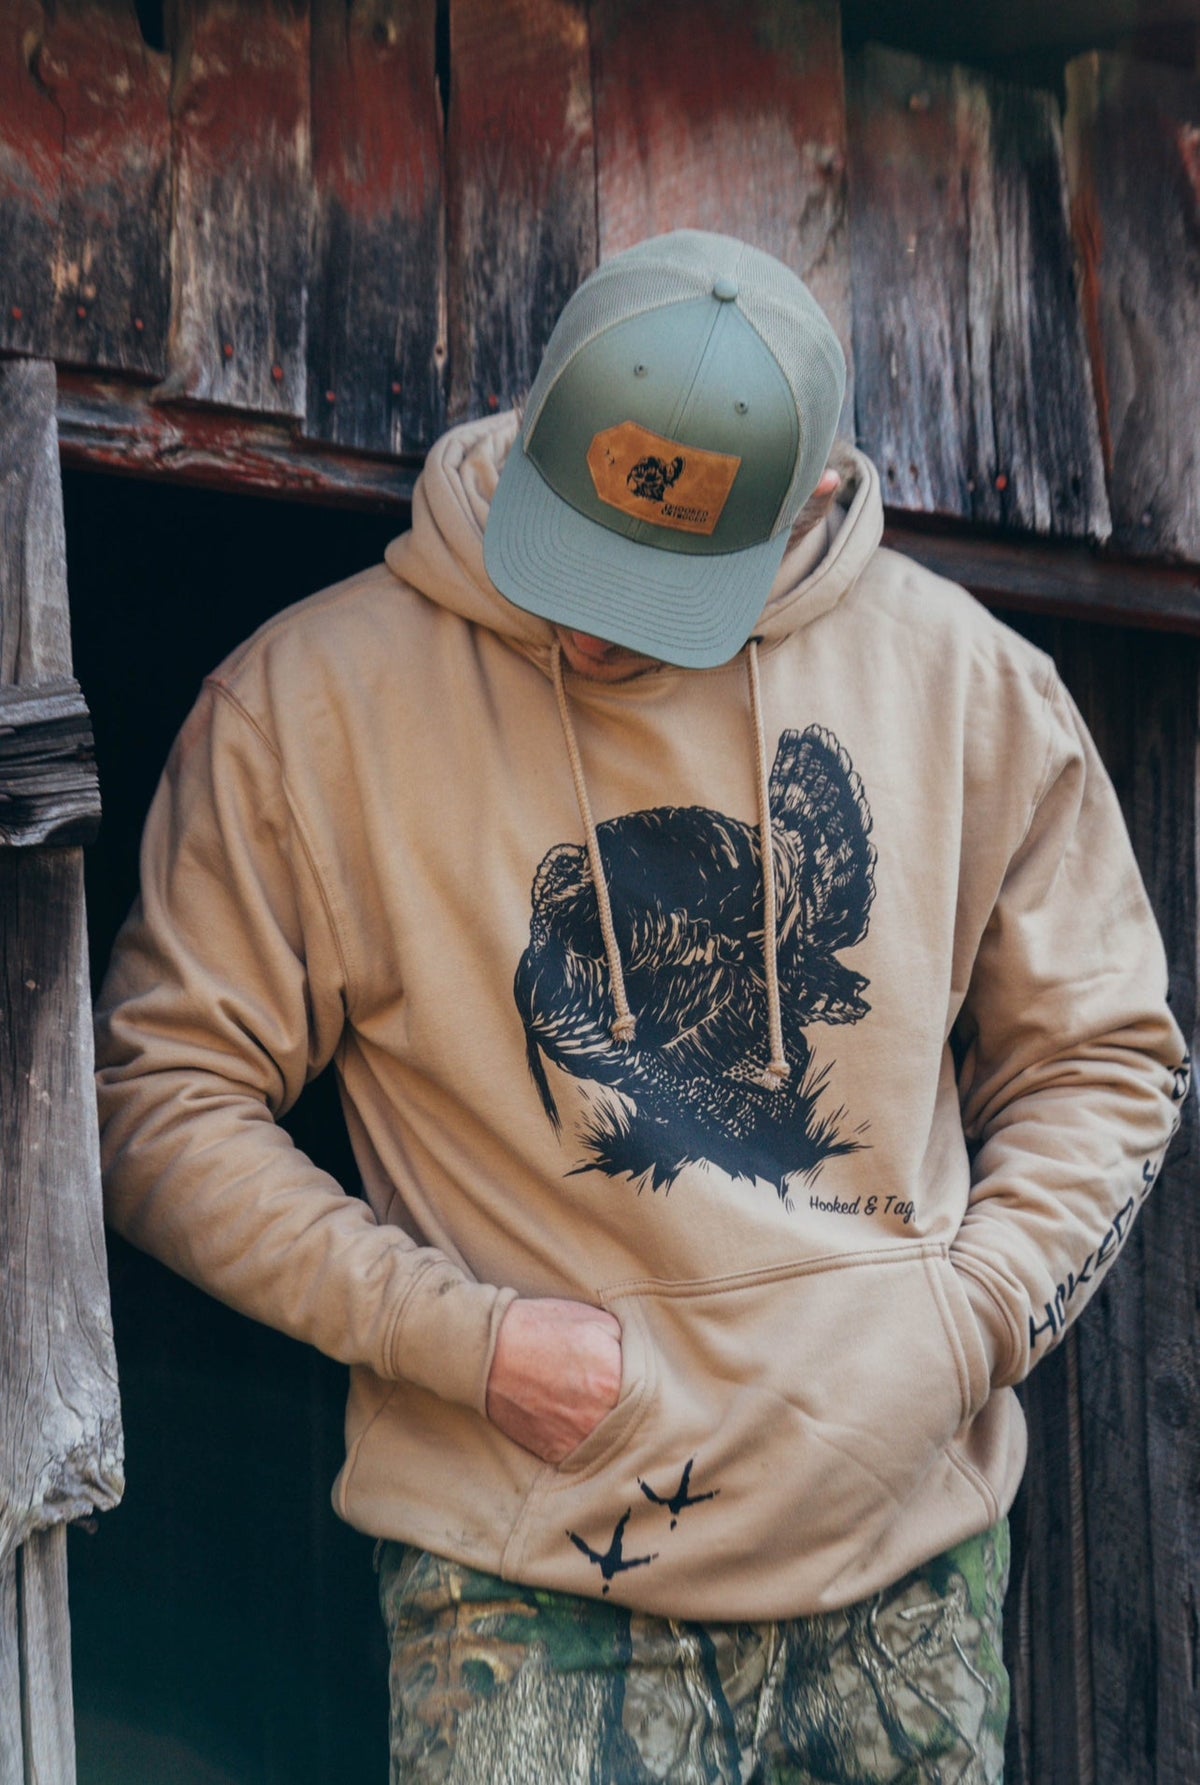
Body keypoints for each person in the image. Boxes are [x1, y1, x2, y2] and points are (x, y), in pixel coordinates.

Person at [96, 231, 1189, 1784]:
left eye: (660, 587)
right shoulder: (306, 709)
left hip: (905, 1583)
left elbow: (1109, 1055)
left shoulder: (968, 684)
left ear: (813, 500)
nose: (592, 627)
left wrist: (970, 1319)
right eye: (573, 550)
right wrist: (462, 1338)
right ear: (532, 416)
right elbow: (157, 1103)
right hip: (526, 1586)